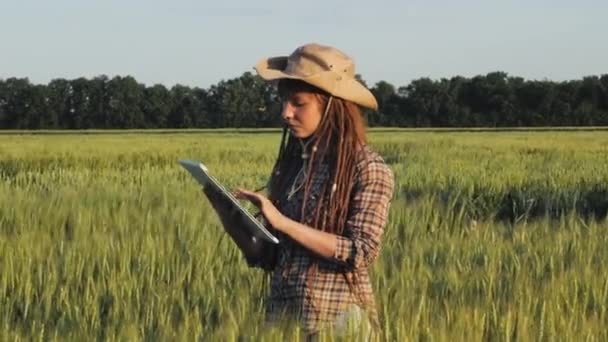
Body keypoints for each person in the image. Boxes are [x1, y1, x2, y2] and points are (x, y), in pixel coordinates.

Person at [204, 43, 394, 339]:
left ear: (332, 106)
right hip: (283, 319)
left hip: (339, 322)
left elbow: (362, 251)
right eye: (283, 102)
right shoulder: (293, 166)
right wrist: (232, 220)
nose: (286, 113)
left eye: (298, 103)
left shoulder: (367, 168)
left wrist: (282, 222)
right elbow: (269, 257)